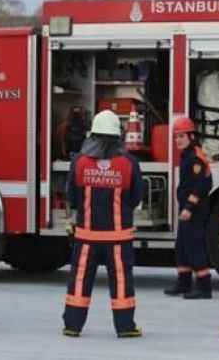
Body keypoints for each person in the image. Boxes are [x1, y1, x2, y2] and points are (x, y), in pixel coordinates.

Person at [62, 110, 144, 338]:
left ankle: (72, 325)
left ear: (93, 135)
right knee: (121, 282)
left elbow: (72, 196)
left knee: (79, 281)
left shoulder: (79, 162)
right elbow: (136, 197)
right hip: (118, 238)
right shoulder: (129, 163)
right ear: (118, 136)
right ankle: (125, 327)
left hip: (87, 236)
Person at [164, 116, 214, 299]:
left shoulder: (195, 157)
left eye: (181, 136)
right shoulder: (188, 155)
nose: (177, 140)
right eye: (176, 137)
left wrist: (189, 207)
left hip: (194, 210)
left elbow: (203, 185)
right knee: (182, 245)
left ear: (191, 136)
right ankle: (184, 282)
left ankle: (204, 286)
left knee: (193, 245)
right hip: (187, 208)